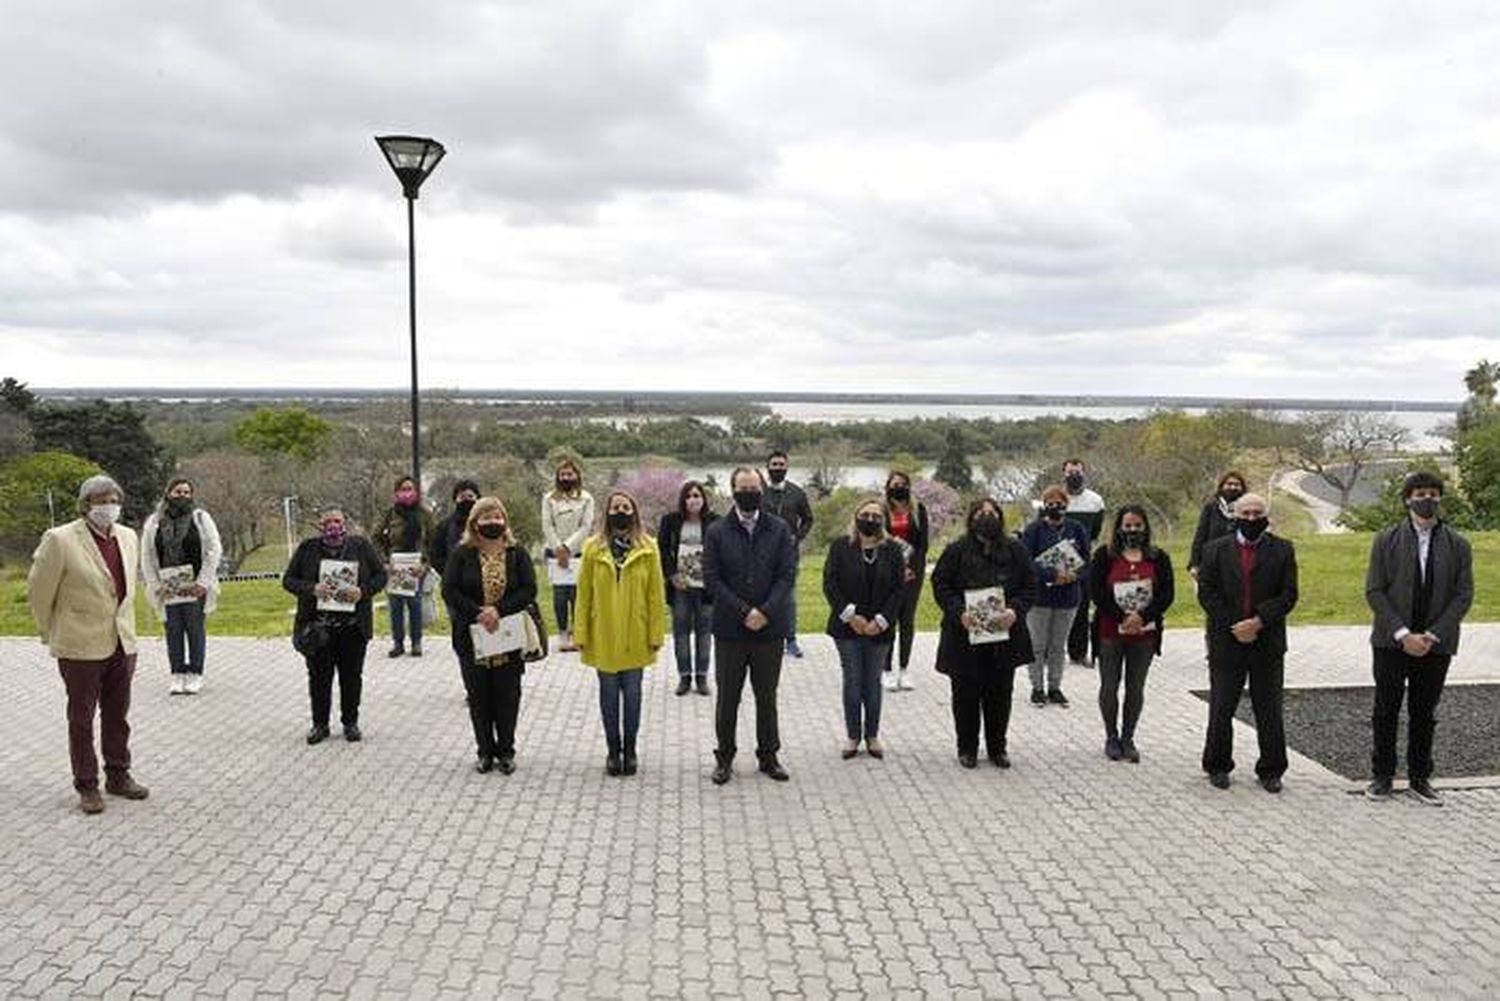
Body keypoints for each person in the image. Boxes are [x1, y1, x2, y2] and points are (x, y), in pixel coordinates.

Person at [27, 474, 150, 815]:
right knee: (81, 718)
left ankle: (118, 774)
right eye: (100, 501)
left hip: (122, 643)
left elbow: (125, 589)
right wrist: (50, 631)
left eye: (113, 500)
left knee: (118, 715)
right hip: (79, 645)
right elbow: (39, 592)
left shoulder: (127, 536)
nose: (108, 507)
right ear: (85, 506)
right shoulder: (60, 539)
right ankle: (86, 784)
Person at [1364, 471, 1474, 806]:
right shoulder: (1386, 539)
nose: (1427, 499)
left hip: (1435, 644)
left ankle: (1420, 778)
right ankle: (1382, 776)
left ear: (1440, 499)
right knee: (1386, 710)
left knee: (1424, 712)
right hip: (1391, 642)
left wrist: (1432, 634)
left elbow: (1463, 594)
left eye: (1433, 493)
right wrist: (1402, 634)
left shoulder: (1458, 543)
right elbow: (1375, 591)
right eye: (1420, 493)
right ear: (1408, 498)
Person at [1197, 493, 1298, 792]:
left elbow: (1289, 594)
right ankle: (1217, 764)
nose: (1252, 519)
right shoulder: (1214, 550)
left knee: (1268, 709)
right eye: (1246, 513)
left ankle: (1271, 769)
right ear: (1235, 516)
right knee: (1221, 706)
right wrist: (1235, 625)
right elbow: (1207, 593)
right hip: (1226, 640)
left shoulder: (1282, 549)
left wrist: (1258, 621)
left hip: (1267, 641)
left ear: (1265, 516)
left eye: (1257, 513)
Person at [704, 467, 799, 785]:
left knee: (766, 696)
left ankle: (769, 756)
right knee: (728, 697)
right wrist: (745, 611)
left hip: (769, 629)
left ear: (762, 490)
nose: (749, 493)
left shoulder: (779, 528)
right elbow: (713, 579)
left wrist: (765, 611)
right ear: (733, 490)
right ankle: (725, 757)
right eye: (743, 488)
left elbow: (787, 575)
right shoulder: (717, 531)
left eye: (754, 487)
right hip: (731, 629)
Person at [931, 498, 1037, 769]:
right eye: (980, 513)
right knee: (965, 695)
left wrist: (1015, 611)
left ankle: (997, 748)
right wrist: (959, 613)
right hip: (964, 636)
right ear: (971, 519)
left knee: (1000, 694)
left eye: (992, 513)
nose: (986, 517)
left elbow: (1030, 585)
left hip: (1005, 637)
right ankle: (967, 748)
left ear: (1000, 518)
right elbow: (941, 584)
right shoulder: (956, 550)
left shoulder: (1016, 549)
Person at [441, 497, 537, 774]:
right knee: (479, 696)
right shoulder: (462, 553)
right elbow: (450, 590)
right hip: (471, 635)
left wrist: (499, 610)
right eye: (486, 518)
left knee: (508, 696)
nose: (493, 522)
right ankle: (485, 751)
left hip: (508, 633)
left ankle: (506, 750)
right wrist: (478, 612)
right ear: (475, 523)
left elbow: (528, 589)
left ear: (504, 521)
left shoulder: (517, 553)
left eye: (497, 517)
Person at [575, 491, 666, 777]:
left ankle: (631, 749)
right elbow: (583, 594)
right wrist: (580, 632)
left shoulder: (649, 547)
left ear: (634, 512)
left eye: (626, 507)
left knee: (633, 695)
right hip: (602, 633)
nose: (621, 511)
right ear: (608, 512)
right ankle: (613, 751)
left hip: (635, 633)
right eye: (616, 507)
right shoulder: (592, 547)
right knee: (609, 695)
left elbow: (655, 594)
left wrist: (656, 633)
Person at [282, 507, 387, 745]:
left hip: (353, 627)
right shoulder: (308, 549)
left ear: (345, 523)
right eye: (328, 522)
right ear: (320, 526)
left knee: (351, 677)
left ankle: (350, 722)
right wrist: (312, 588)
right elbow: (288, 580)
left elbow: (380, 576)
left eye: (337, 521)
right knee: (319, 678)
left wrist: (362, 592)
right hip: (318, 628)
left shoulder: (360, 546)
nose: (333, 526)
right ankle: (320, 724)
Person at [1090, 506, 1175, 763]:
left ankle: (1128, 737)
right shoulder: (1104, 556)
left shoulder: (1158, 557)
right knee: (1109, 685)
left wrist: (1142, 616)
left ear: (1146, 527)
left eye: (1137, 525)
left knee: (1135, 687)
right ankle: (1111, 736)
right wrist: (1122, 617)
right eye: (1127, 526)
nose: (1133, 530)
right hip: (1110, 631)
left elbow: (1166, 594)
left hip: (1144, 633)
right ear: (1118, 528)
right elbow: (1096, 592)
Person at [823, 498, 905, 759]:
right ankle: (852, 735)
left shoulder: (892, 550)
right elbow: (830, 584)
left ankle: (872, 736)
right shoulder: (840, 546)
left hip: (880, 627)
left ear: (883, 520)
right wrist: (851, 616)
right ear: (856, 517)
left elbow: (898, 589)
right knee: (853, 681)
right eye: (865, 514)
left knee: (873, 681)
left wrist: (880, 620)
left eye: (875, 515)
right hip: (847, 627)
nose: (870, 519)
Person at [140, 477, 223, 694]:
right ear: (168, 494)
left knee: (195, 629)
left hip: (195, 586)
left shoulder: (201, 518)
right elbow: (147, 555)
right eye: (178, 492)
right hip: (168, 588)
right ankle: (177, 673)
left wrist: (203, 582)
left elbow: (214, 550)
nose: (183, 496)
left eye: (187, 492)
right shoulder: (154, 522)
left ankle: (195, 673)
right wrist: (156, 585)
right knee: (173, 630)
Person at [1020, 485, 1092, 709]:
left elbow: (1087, 560)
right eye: (1049, 503)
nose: (1055, 507)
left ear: (1066, 505)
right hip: (1040, 597)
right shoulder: (1033, 530)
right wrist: (1051, 574)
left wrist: (1073, 575)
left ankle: (1055, 687)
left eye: (1059, 503)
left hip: (1068, 596)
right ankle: (1037, 688)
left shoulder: (1077, 529)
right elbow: (1026, 562)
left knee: (1058, 645)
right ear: (1044, 505)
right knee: (1037, 645)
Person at [658, 480, 718, 696]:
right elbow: (662, 551)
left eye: (697, 495)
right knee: (681, 633)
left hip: (706, 589)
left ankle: (702, 677)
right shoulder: (670, 521)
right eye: (689, 496)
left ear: (704, 499)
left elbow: (721, 553)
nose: (693, 499)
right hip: (680, 587)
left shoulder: (715, 521)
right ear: (683, 499)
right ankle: (684, 677)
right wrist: (671, 576)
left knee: (704, 633)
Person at [374, 475, 436, 658]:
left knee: (415, 604)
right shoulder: (391, 513)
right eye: (403, 489)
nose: (407, 493)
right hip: (395, 566)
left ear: (416, 492)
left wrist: (426, 564)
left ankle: (416, 642)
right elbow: (376, 537)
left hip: (417, 565)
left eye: (410, 489)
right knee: (395, 606)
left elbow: (433, 541)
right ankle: (398, 643)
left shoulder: (425, 514)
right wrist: (384, 561)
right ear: (396, 493)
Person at [762, 450, 814, 658]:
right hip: (762, 554)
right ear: (768, 467)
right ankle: (768, 635)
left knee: (788, 598)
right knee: (764, 595)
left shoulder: (797, 493)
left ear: (787, 467)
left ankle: (790, 639)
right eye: (774, 465)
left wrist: (797, 537)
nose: (778, 468)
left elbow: (809, 519)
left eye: (781, 465)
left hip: (789, 554)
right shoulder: (760, 492)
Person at [882, 470, 929, 692]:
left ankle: (904, 668)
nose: (898, 487)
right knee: (889, 619)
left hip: (912, 573)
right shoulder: (881, 510)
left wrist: (912, 569)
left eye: (902, 483)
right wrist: (895, 569)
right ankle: (886, 669)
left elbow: (923, 544)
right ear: (888, 487)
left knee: (907, 620)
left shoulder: (918, 510)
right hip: (888, 574)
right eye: (894, 484)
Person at [541, 458, 595, 652]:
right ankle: (563, 633)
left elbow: (586, 526)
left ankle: (578, 633)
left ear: (577, 476)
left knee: (577, 595)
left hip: (578, 553)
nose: (566, 477)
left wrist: (568, 548)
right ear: (557, 477)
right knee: (559, 595)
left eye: (569, 474)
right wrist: (558, 549)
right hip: (555, 554)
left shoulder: (587, 499)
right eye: (563, 474)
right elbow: (547, 525)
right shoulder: (548, 498)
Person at [1061, 459, 1105, 668]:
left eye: (1077, 472)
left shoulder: (1095, 501)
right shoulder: (1055, 499)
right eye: (1070, 472)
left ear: (1084, 473)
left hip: (1084, 560)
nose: (1074, 476)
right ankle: (1049, 652)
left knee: (1081, 604)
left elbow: (1095, 531)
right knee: (1056, 606)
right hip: (1059, 558)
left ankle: (1078, 652)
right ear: (1063, 474)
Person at [1188, 471, 1247, 581]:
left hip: (1240, 562)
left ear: (1242, 488)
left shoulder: (1248, 509)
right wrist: (1194, 563)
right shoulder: (1211, 507)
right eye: (1229, 484)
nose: (1233, 487)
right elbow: (1201, 535)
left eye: (1237, 484)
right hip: (1213, 560)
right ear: (1222, 486)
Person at [428, 478, 480, 582]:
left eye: (470, 496)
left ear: (477, 498)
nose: (466, 500)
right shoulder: (444, 526)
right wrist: (449, 572)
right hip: (453, 582)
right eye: (462, 497)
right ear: (455, 500)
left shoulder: (486, 523)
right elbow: (435, 554)